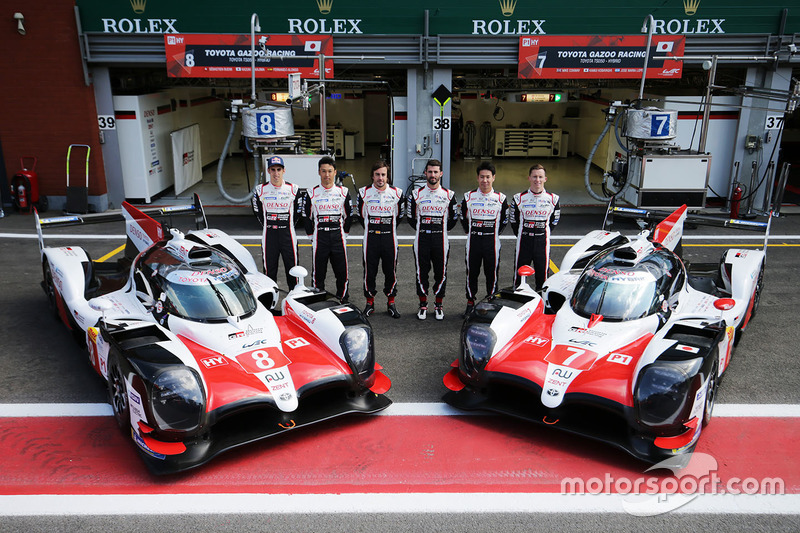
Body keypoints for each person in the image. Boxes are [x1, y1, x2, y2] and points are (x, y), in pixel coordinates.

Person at [408, 159, 458, 320]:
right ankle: (423, 304)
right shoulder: (416, 194)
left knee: (440, 272)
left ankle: (438, 304)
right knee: (421, 272)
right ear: (425, 174)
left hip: (440, 239)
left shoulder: (449, 195)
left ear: (441, 174)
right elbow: (410, 218)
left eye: (436, 172)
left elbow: (453, 219)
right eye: (430, 172)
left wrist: (440, 228)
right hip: (422, 238)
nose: (433, 175)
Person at [356, 160, 404, 319]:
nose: (380, 178)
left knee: (390, 271)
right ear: (372, 176)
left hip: (389, 238)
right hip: (371, 239)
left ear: (387, 177)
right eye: (377, 174)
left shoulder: (397, 193)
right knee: (370, 271)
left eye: (383, 174)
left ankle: (391, 302)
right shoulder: (363, 193)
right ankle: (370, 303)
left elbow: (400, 215)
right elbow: (361, 216)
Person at [461, 161, 507, 317]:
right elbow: (463, 219)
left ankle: (491, 303)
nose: (485, 180)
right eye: (482, 177)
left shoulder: (501, 199)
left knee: (492, 274)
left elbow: (504, 222)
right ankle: (470, 303)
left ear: (493, 178)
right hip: (473, 241)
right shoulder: (468, 197)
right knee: (471, 273)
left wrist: (491, 233)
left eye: (488, 177)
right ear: (477, 178)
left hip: (492, 242)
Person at [303, 156, 353, 302]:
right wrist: (311, 236)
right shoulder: (311, 193)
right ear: (319, 172)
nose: (327, 175)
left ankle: (343, 299)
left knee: (342, 273)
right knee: (318, 274)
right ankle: (318, 302)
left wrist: (345, 233)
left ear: (335, 172)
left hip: (338, 236)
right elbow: (306, 216)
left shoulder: (343, 192)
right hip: (320, 238)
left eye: (330, 171)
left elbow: (349, 215)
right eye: (323, 171)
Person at [252, 155, 304, 288]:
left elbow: (298, 212)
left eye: (279, 169)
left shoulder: (293, 189)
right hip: (269, 236)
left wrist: (287, 224)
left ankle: (293, 300)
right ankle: (271, 305)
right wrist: (269, 225)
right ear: (268, 171)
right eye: (273, 169)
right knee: (270, 272)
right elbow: (257, 212)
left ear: (284, 170)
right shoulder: (260, 190)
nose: (276, 173)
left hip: (288, 236)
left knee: (293, 271)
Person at [510, 163, 561, 291]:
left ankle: (541, 303)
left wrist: (542, 232)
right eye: (534, 177)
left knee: (542, 277)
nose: (537, 180)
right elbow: (514, 221)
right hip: (524, 242)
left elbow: (554, 221)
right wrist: (523, 233)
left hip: (542, 242)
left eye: (540, 177)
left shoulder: (553, 199)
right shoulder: (518, 198)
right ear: (529, 178)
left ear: (545, 179)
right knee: (519, 276)